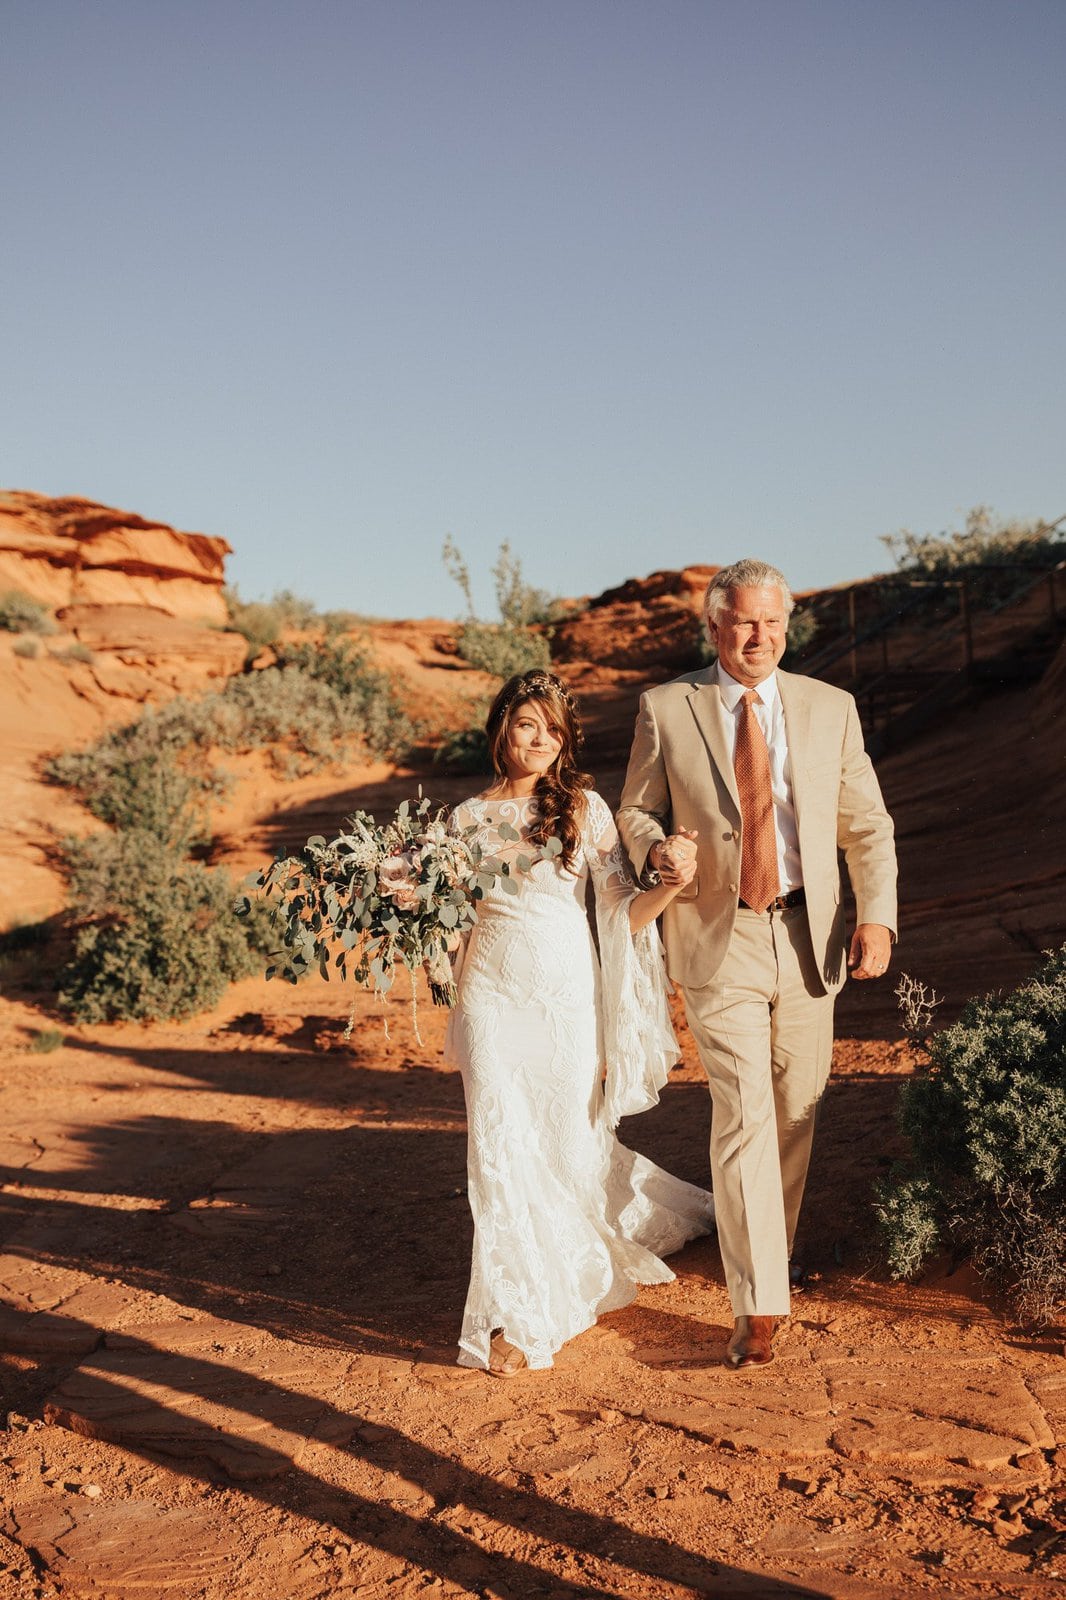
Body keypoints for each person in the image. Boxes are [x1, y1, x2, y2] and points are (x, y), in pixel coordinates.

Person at [617, 559, 897, 1370]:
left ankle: (766, 1254)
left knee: (795, 1113)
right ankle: (759, 1300)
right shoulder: (668, 708)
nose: (759, 637)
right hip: (718, 931)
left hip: (812, 934)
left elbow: (866, 825)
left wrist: (875, 915)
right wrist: (655, 848)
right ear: (713, 627)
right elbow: (635, 805)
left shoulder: (829, 709)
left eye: (773, 623)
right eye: (743, 622)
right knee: (742, 1113)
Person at [445, 668, 714, 1377]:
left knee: (564, 1145)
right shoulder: (463, 819)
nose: (538, 740)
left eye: (552, 729)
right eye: (527, 724)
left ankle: (573, 1270)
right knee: (499, 1152)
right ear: (502, 726)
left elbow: (624, 912)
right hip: (488, 999)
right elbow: (455, 928)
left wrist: (669, 884)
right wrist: (410, 912)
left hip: (565, 999)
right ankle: (520, 1316)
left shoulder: (583, 810)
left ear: (564, 742)